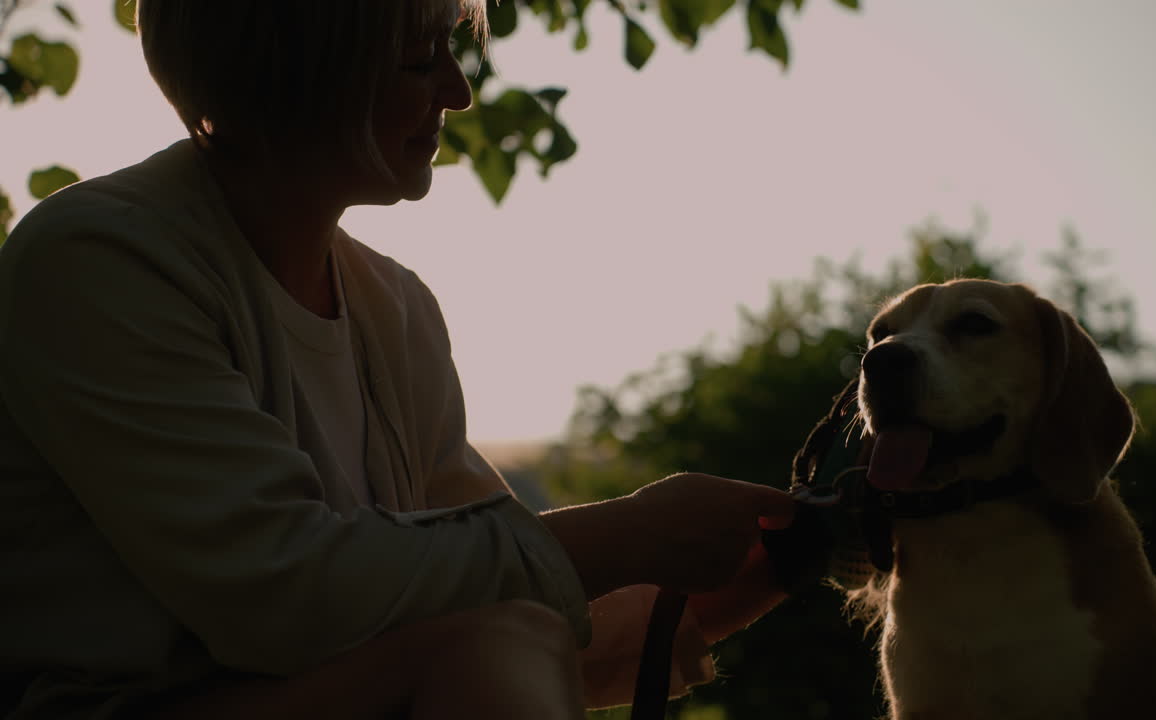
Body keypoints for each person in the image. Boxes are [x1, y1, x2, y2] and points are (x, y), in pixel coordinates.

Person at [0, 1, 796, 718]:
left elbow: (495, 584)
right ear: (295, 71)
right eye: (421, 60)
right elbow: (282, 597)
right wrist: (624, 534)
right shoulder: (100, 258)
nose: (458, 92)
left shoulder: (396, 307)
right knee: (493, 644)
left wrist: (776, 556)